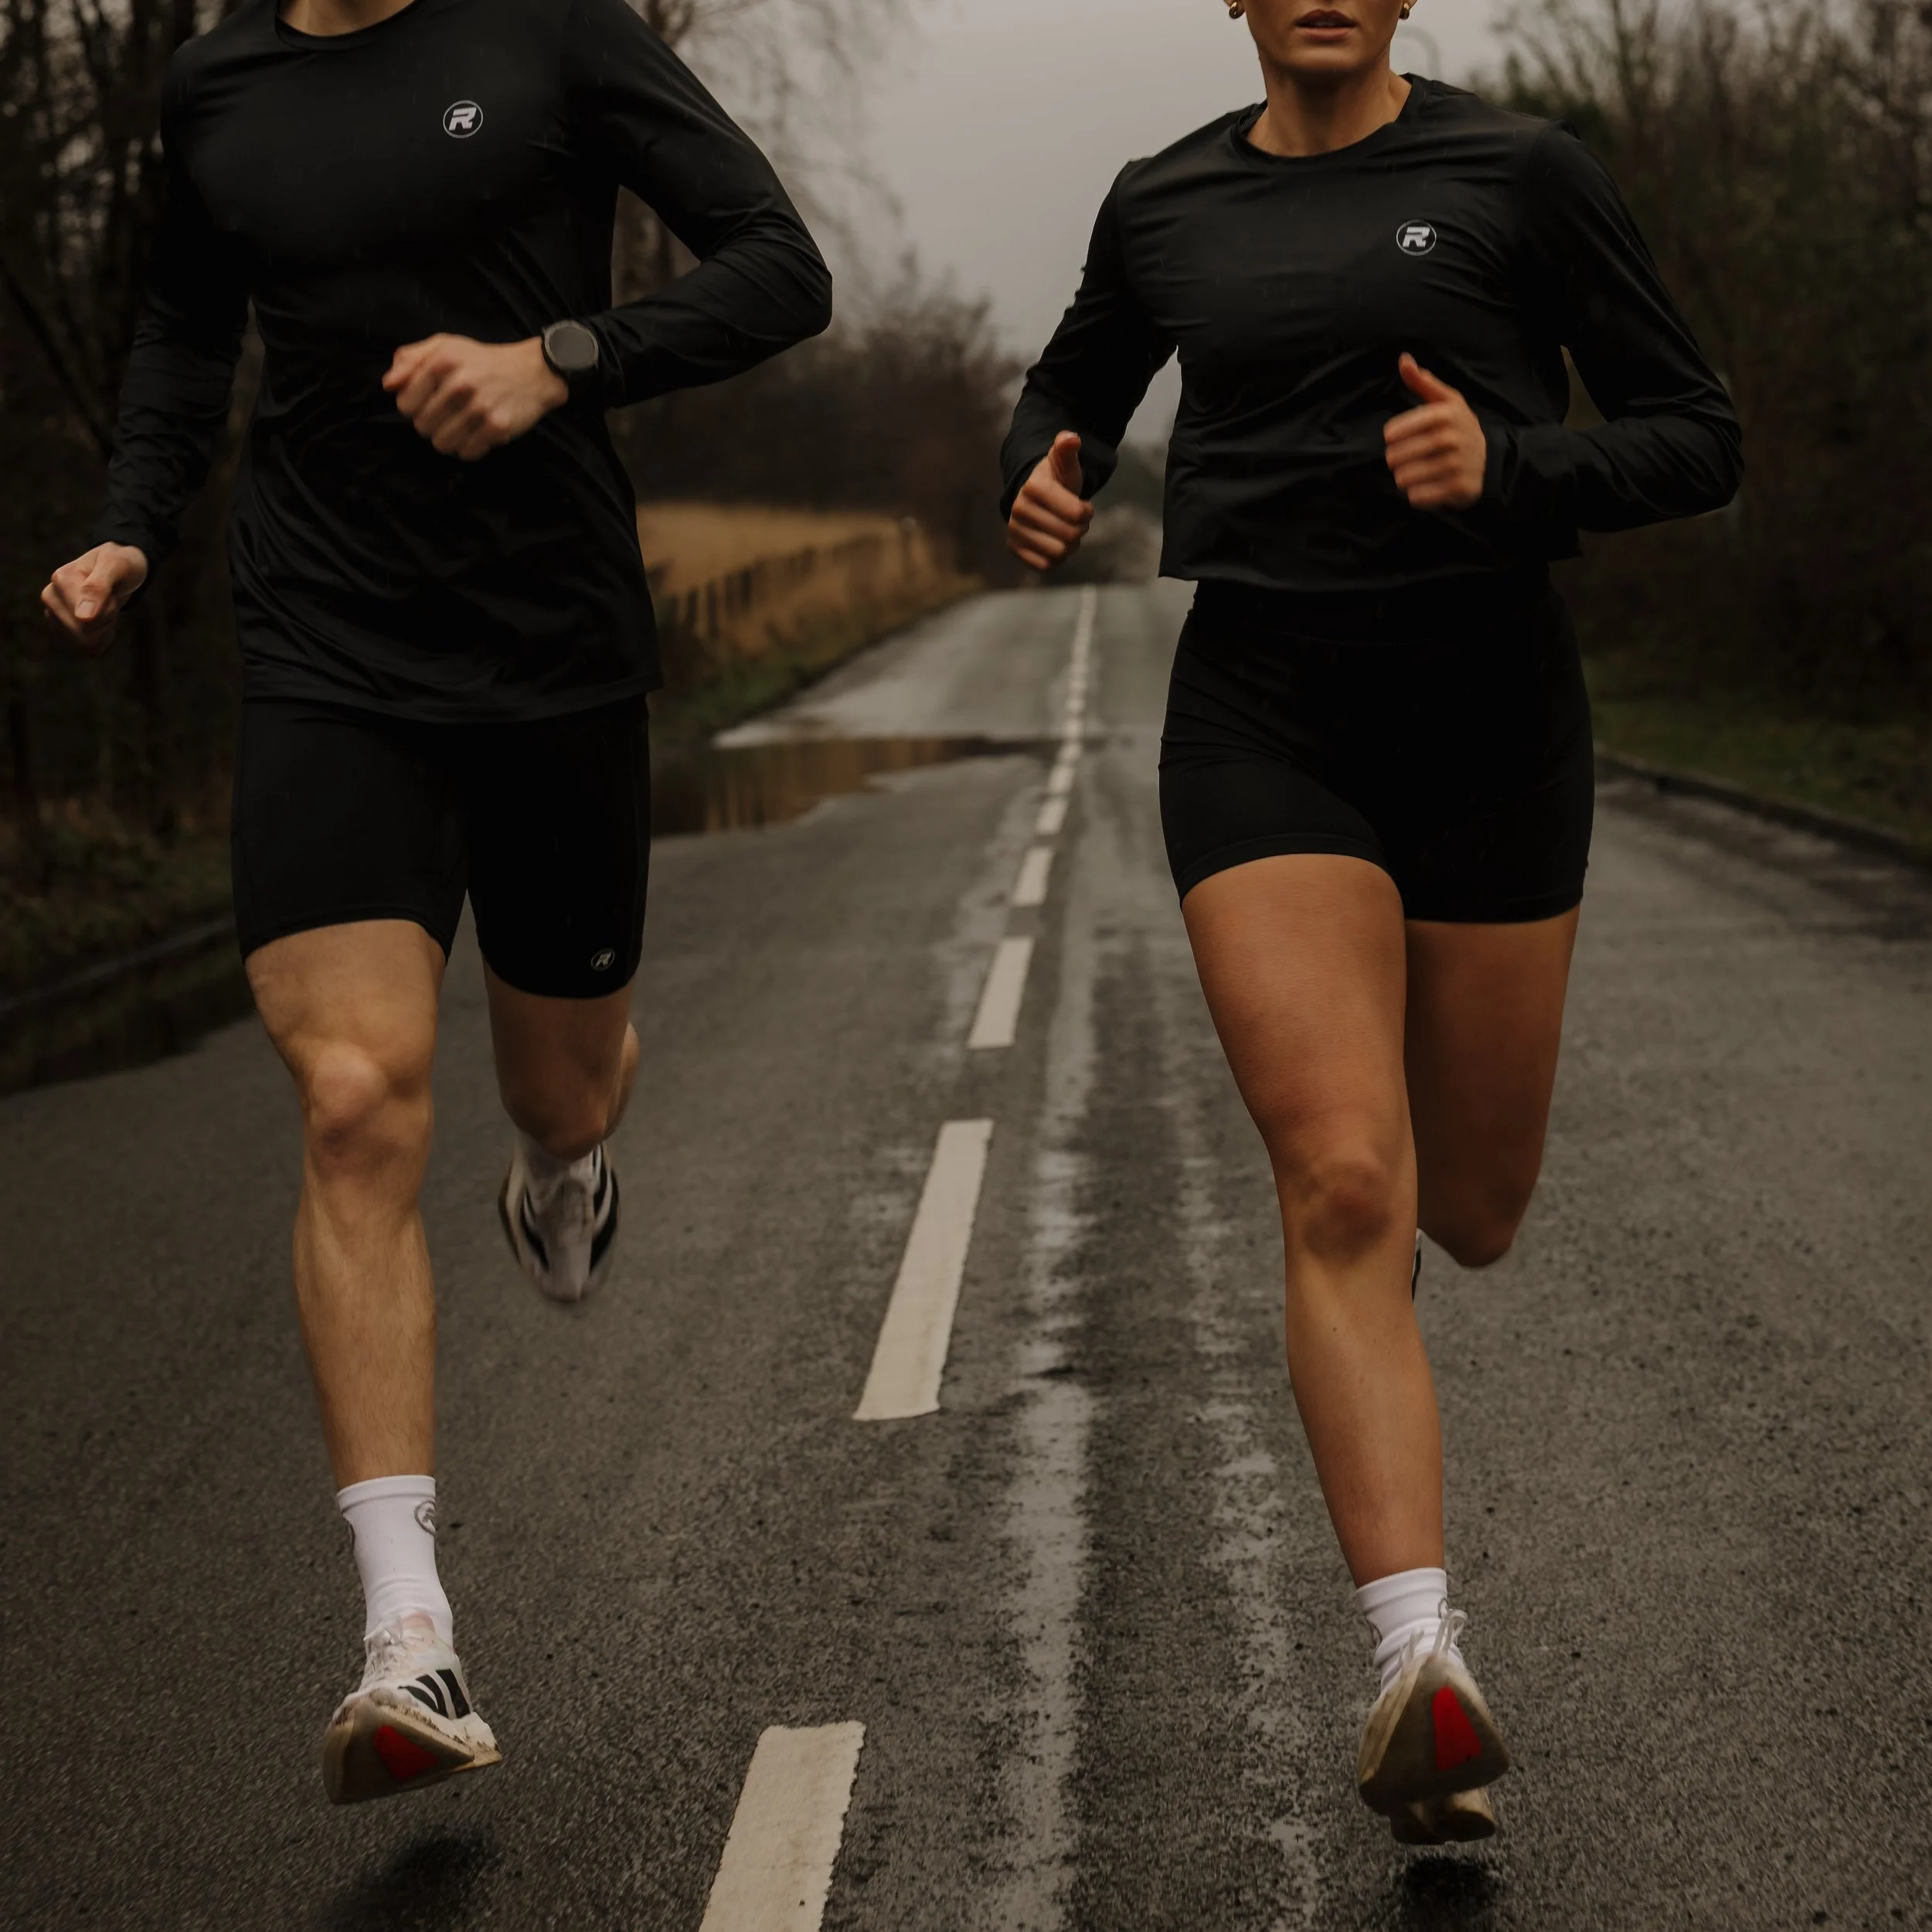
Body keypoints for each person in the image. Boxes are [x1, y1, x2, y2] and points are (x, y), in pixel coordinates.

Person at [40, 0, 831, 1805]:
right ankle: (409, 1637)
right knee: (350, 1092)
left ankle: (559, 1161)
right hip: (323, 642)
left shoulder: (555, 35)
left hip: (550, 650)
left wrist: (562, 352)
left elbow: (782, 269)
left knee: (559, 1086)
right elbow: (179, 328)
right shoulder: (219, 82)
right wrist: (136, 519)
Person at [1002, 0, 1740, 1845]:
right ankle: (1419, 1662)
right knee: (1341, 1177)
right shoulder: (1161, 200)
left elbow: (1693, 434)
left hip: (1491, 714)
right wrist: (1041, 462)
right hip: (1265, 711)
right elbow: (1072, 382)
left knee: (1466, 1208)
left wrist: (1512, 467)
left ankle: (1419, 1646)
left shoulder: (1518, 173)